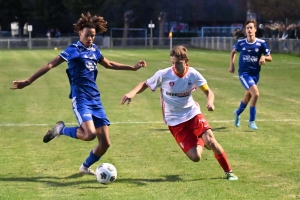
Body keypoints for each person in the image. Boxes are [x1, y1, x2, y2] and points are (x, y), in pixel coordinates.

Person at [11, 12, 147, 175]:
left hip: (95, 100)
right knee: (89, 134)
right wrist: (28, 81)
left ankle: (84, 167)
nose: (90, 38)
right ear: (80, 33)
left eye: (93, 36)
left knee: (105, 143)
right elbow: (50, 65)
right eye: (87, 35)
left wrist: (132, 68)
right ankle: (60, 130)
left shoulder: (95, 50)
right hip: (81, 99)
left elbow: (109, 64)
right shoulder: (73, 50)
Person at [121, 45, 238, 181]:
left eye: (178, 63)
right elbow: (145, 84)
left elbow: (208, 92)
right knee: (195, 157)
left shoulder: (193, 74)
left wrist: (210, 102)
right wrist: (132, 93)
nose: (175, 66)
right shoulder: (163, 74)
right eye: (173, 62)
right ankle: (201, 140)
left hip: (193, 113)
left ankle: (229, 171)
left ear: (186, 60)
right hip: (174, 120)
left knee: (212, 141)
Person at [229, 19, 272, 130]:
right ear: (245, 30)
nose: (249, 30)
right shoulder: (241, 43)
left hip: (255, 75)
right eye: (247, 28)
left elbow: (270, 57)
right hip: (244, 74)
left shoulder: (261, 43)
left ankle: (237, 113)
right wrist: (232, 65)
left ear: (255, 29)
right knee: (256, 94)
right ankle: (251, 121)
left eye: (251, 27)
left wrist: (263, 57)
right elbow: (233, 52)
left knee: (247, 97)